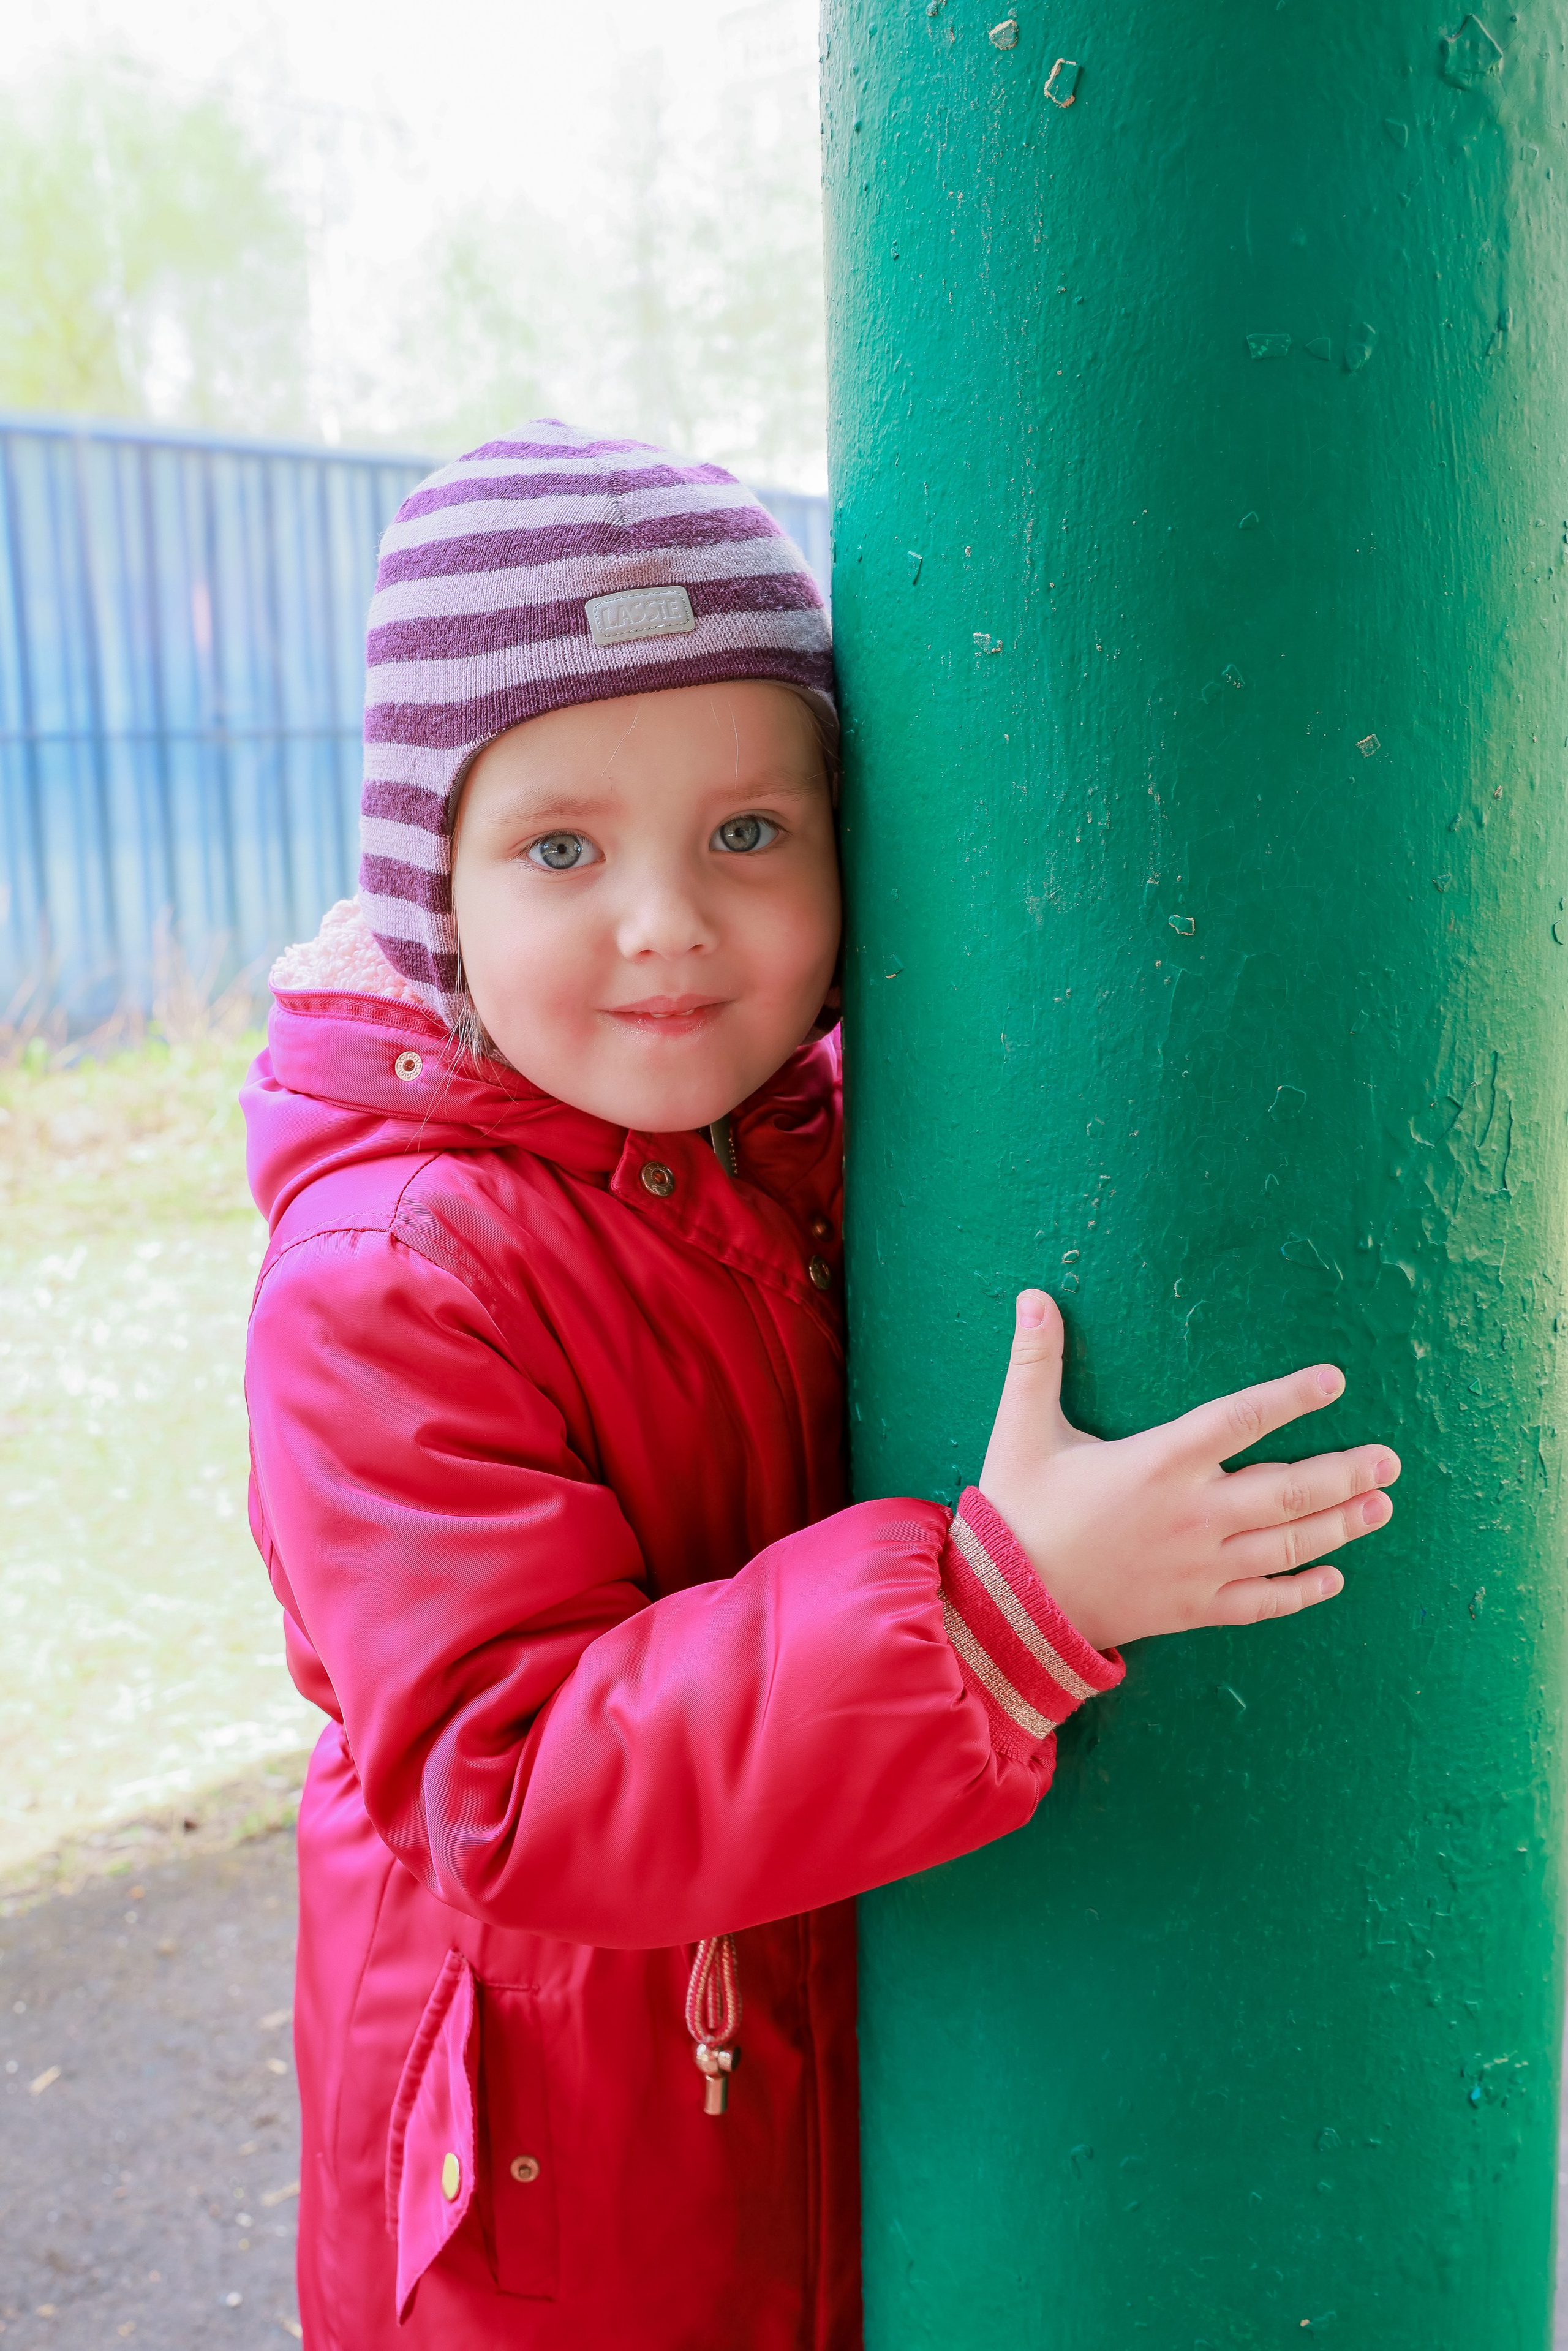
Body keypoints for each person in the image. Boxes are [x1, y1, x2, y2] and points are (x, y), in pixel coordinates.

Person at [242, 421, 1398, 2350]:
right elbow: (506, 1781)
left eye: (749, 833)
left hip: (794, 2071)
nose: (668, 919)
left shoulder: (835, 1149)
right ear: (430, 888)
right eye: (559, 848)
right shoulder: (388, 1279)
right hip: (556, 2191)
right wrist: (993, 1614)